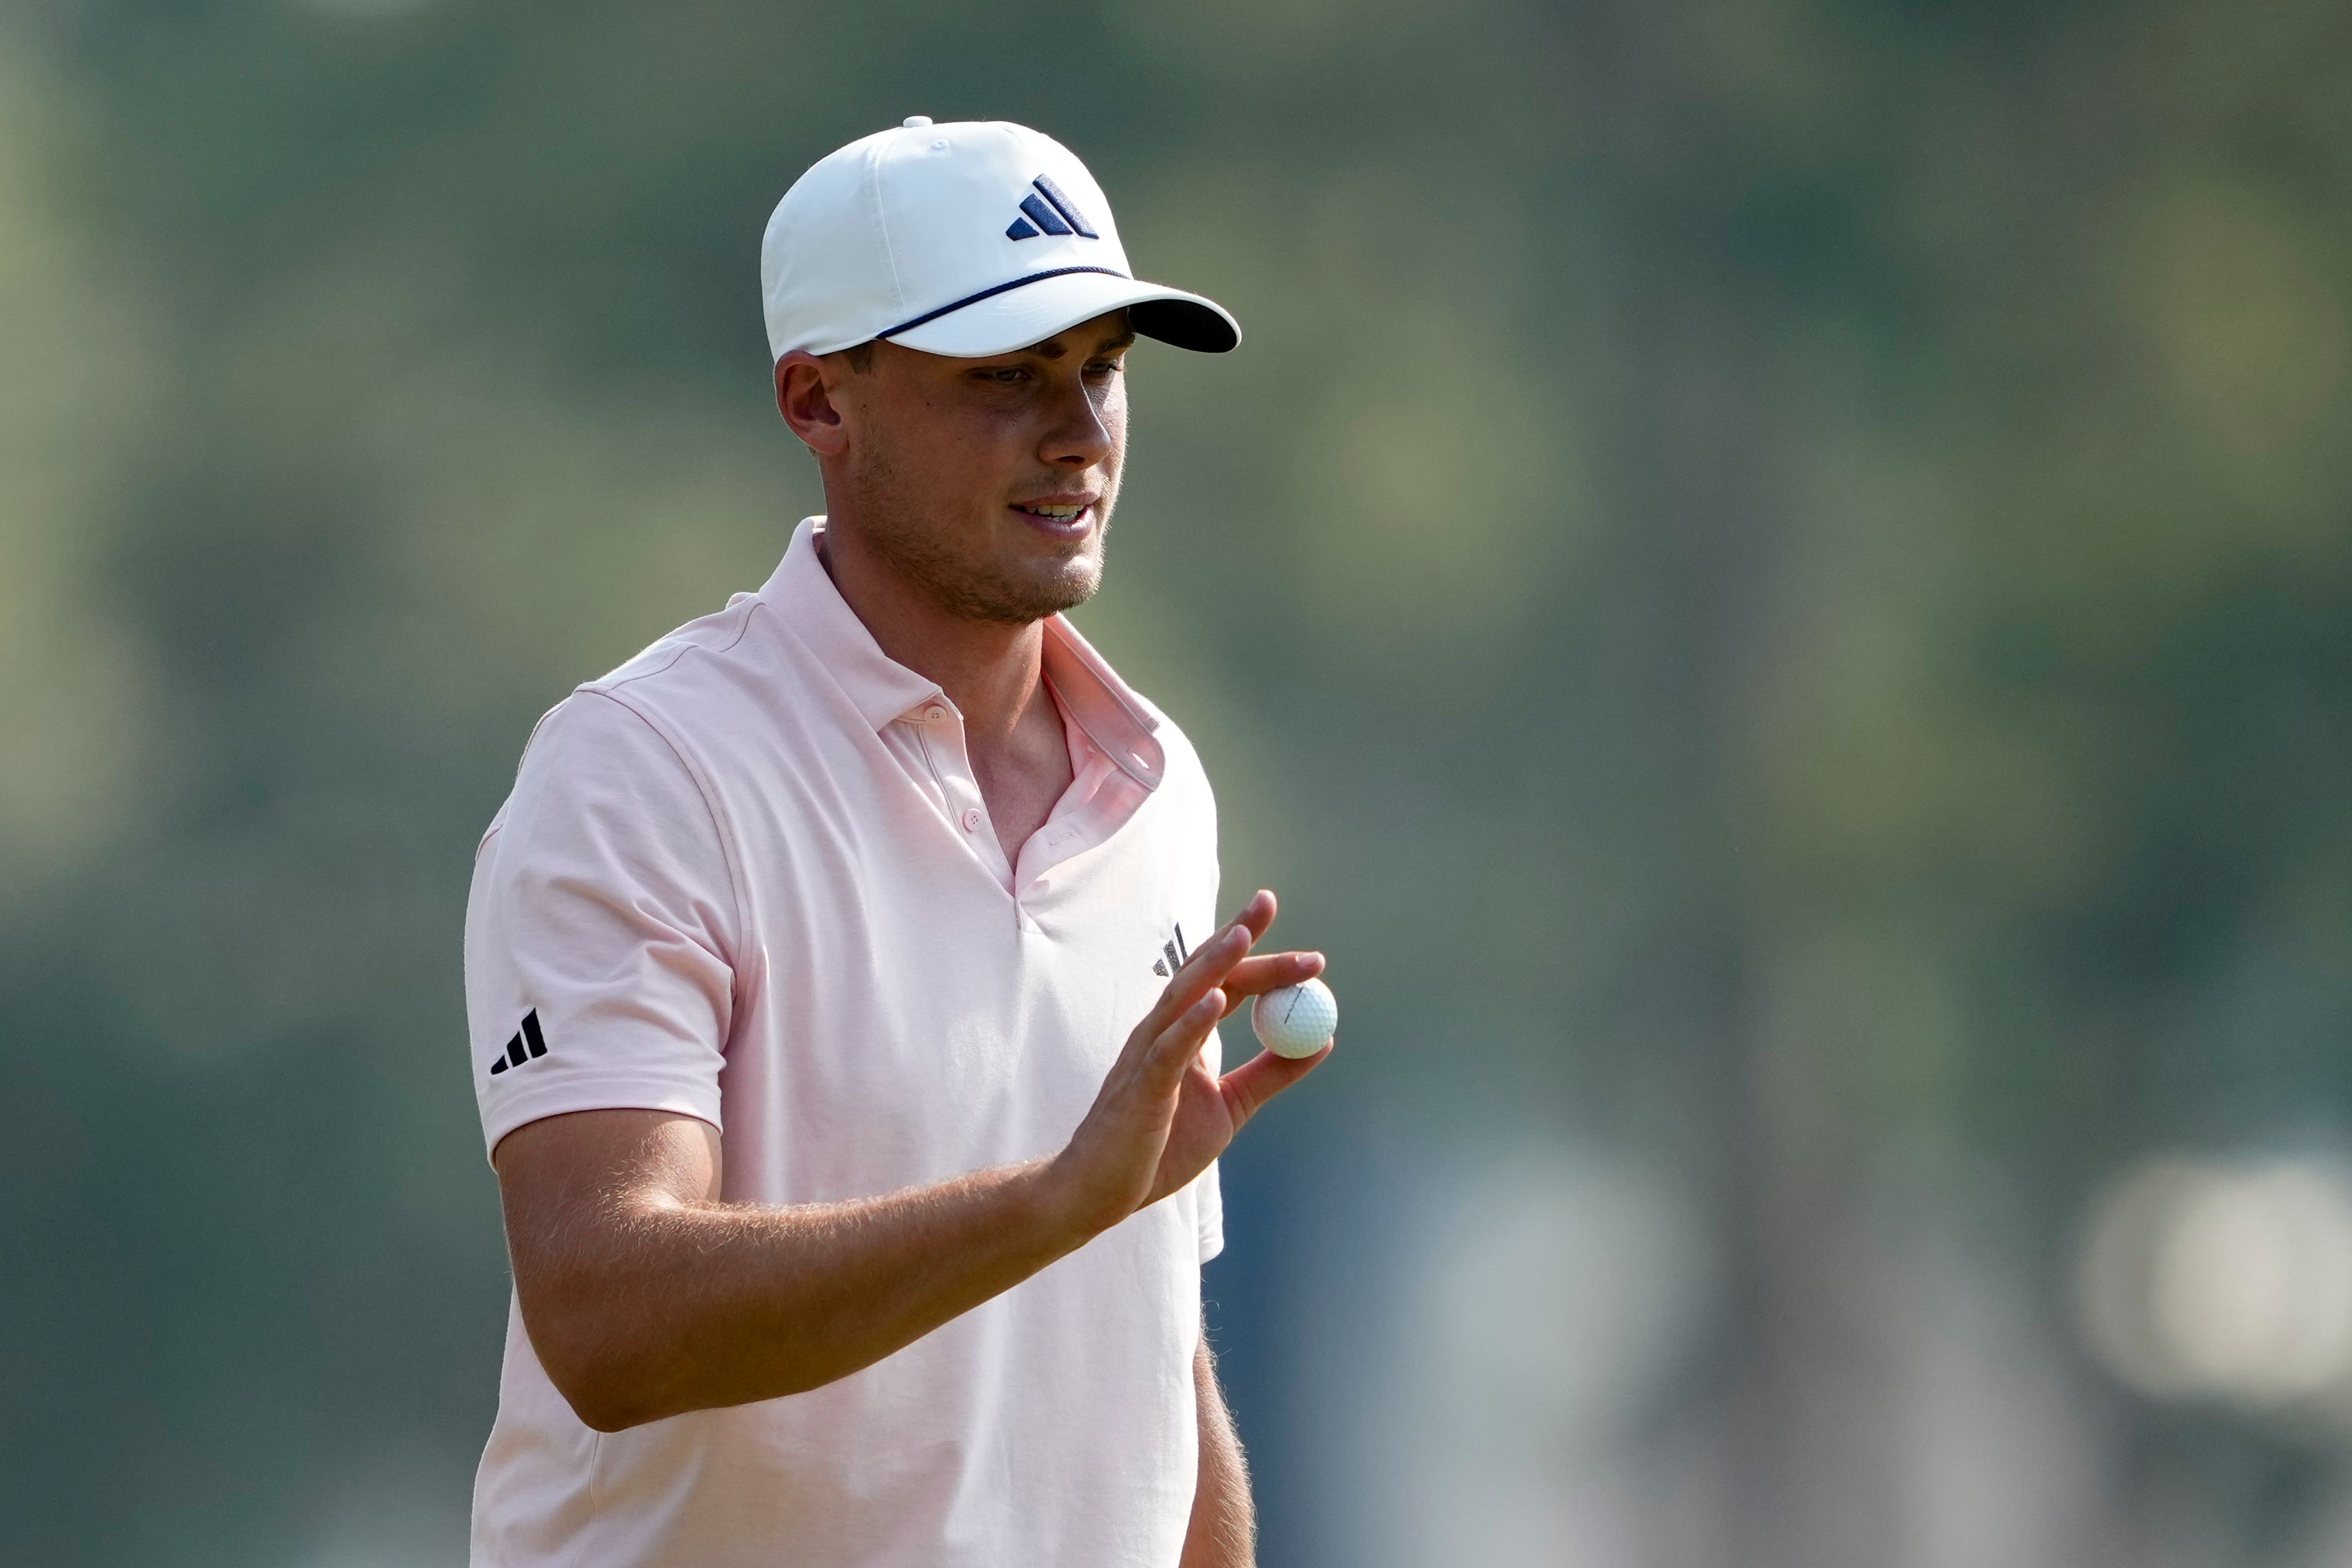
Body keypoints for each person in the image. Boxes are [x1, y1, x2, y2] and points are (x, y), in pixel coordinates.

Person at [461, 116, 1331, 1568]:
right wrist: (1053, 1198)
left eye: (1101, 369)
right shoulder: (643, 768)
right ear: (817, 399)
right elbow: (604, 1312)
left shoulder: (1155, 784)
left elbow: (1142, 1348)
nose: (1078, 432)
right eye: (1005, 376)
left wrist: (1084, 1216)